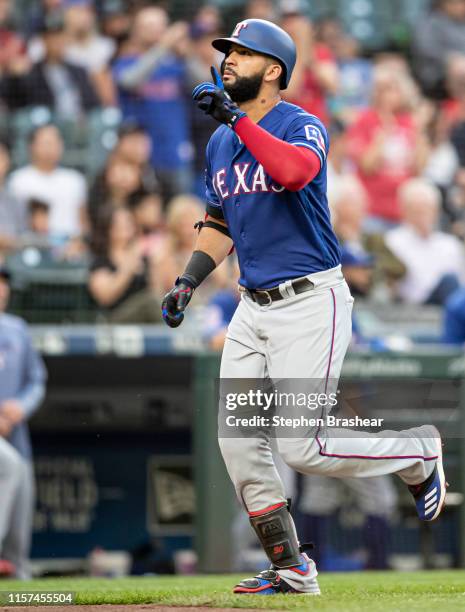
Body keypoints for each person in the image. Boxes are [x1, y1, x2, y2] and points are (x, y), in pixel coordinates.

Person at [161, 19, 448, 596]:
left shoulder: (301, 123)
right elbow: (220, 221)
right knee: (238, 441)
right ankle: (291, 566)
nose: (228, 61)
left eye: (242, 53)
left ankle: (418, 450)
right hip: (251, 306)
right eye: (227, 52)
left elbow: (294, 173)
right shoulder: (221, 140)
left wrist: (236, 119)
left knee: (303, 445)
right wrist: (189, 279)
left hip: (311, 299)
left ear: (274, 70)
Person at [112, 6, 193, 200]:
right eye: (149, 26)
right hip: (141, 157)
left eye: (159, 26)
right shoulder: (126, 62)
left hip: (175, 151)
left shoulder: (175, 64)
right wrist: (163, 46)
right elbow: (130, 81)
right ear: (136, 30)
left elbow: (205, 84)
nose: (155, 31)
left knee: (182, 212)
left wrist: (187, 54)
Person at [0, 265, 47, 579]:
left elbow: (37, 379)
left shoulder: (17, 328)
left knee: (19, 533)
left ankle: (23, 591)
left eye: (4, 284)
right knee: (10, 468)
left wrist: (20, 406)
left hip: (16, 435)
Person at [346, 64, 430, 231]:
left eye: (392, 89)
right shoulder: (365, 120)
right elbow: (366, 166)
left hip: (403, 213)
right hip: (372, 211)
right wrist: (381, 139)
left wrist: (420, 136)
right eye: (381, 89)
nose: (386, 95)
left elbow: (418, 169)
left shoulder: (408, 122)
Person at [0, 11, 99, 117]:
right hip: (49, 126)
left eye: (60, 36)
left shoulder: (79, 71)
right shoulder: (31, 73)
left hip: (82, 125)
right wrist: (13, 76)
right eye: (51, 37)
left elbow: (94, 105)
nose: (57, 42)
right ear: (43, 40)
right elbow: (14, 101)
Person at [385, 178, 465, 305]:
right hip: (412, 307)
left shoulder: (450, 244)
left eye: (429, 208)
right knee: (449, 281)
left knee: (451, 283)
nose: (424, 214)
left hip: (446, 304)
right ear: (405, 211)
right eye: (417, 209)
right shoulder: (393, 241)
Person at [8, 124, 88, 240]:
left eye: (55, 142)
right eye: (45, 143)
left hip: (70, 247)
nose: (50, 148)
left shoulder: (75, 180)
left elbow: (83, 221)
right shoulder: (18, 180)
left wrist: (79, 243)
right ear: (31, 146)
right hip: (30, 246)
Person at [88, 206, 161, 323]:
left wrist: (155, 264)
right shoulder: (101, 261)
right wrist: (127, 269)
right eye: (118, 223)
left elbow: (158, 291)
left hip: (147, 321)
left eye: (128, 221)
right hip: (114, 319)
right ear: (108, 227)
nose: (125, 226)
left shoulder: (142, 256)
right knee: (149, 301)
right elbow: (105, 297)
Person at [412, 0, 465, 97]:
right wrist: (449, 58)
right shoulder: (429, 22)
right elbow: (425, 48)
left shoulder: (462, 24)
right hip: (436, 72)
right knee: (459, 66)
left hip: (460, 66)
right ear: (444, 4)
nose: (460, 6)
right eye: (455, 3)